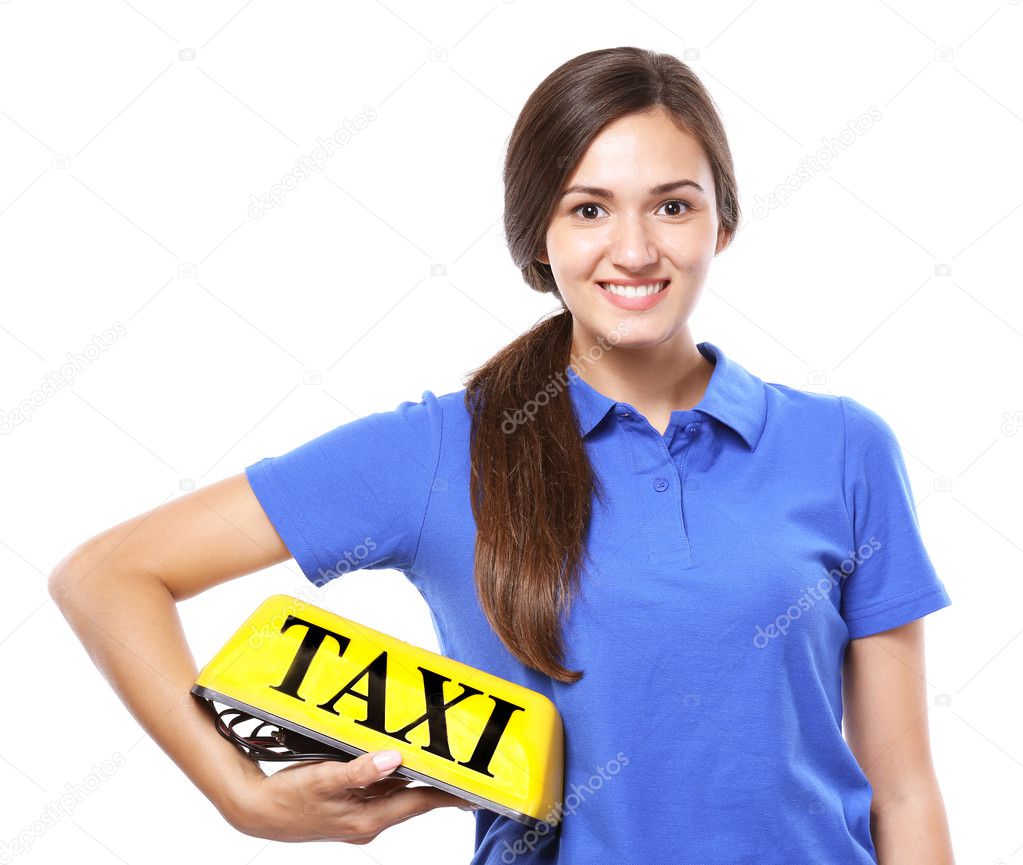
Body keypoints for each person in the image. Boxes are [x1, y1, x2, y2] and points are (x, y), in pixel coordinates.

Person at [49, 46, 956, 863]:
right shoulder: (446, 448)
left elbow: (903, 788)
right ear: (537, 237)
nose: (634, 249)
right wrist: (242, 796)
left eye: (672, 206)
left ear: (721, 223)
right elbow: (109, 574)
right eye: (588, 208)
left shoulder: (842, 448)